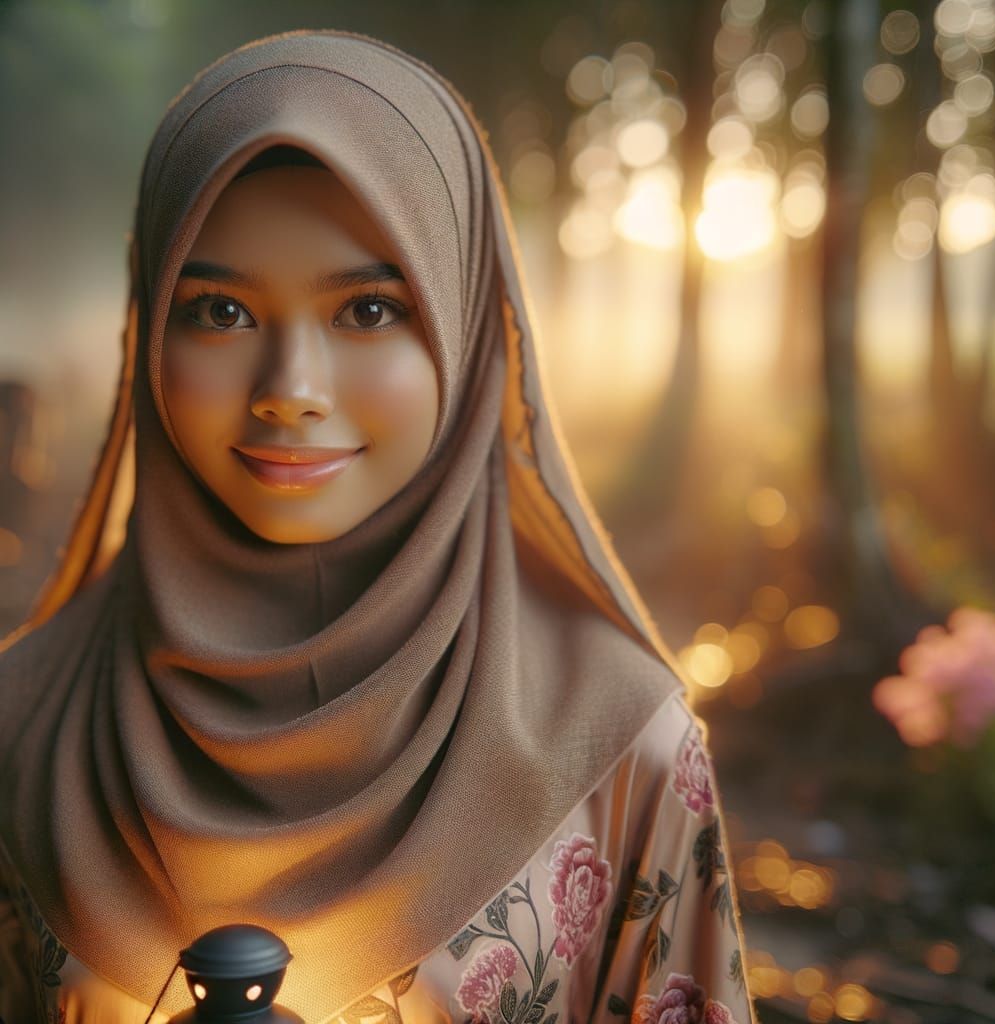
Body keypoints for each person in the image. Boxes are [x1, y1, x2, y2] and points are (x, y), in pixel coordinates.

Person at [0, 30, 753, 1024]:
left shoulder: (622, 745)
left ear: (466, 323)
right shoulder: (21, 729)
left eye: (366, 310)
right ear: (148, 331)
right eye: (220, 310)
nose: (291, 392)